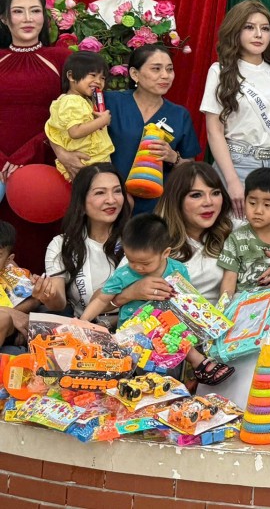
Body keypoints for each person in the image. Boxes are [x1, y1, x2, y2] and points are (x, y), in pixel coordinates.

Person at [81, 214, 233, 385]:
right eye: (131, 260)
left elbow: (186, 301)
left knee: (178, 339)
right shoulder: (124, 274)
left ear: (165, 253)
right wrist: (83, 320)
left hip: (166, 330)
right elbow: (102, 299)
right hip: (133, 332)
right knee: (138, 372)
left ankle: (197, 364)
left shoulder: (177, 270)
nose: (137, 267)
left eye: (145, 263)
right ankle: (193, 364)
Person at [0, 0, 71, 271]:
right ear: (4, 18)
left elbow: (72, 116)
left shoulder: (62, 59)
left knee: (39, 243)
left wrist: (25, 155)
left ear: (45, 15)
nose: (28, 19)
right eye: (18, 11)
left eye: (35, 11)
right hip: (1, 169)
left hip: (46, 165)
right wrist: (3, 160)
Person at [201, 0, 270, 218]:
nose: (258, 34)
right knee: (235, 233)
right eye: (249, 27)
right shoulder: (220, 71)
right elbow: (214, 131)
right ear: (236, 30)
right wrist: (231, 181)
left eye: (265, 28)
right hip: (237, 163)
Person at [216, 167, 270, 392]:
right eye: (252, 202)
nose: (258, 210)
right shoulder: (236, 238)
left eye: (267, 204)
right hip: (243, 302)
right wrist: (223, 310)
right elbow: (229, 279)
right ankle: (238, 388)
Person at [106, 45, 201, 216]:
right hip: (109, 201)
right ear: (134, 74)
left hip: (157, 208)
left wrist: (174, 157)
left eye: (169, 69)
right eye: (156, 69)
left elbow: (191, 168)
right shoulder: (111, 102)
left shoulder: (179, 115)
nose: (165, 75)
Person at [41, 164, 129, 323]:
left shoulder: (138, 238)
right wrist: (49, 296)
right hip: (84, 327)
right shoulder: (61, 244)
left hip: (136, 327)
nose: (111, 200)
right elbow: (58, 304)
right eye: (100, 193)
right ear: (81, 202)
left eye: (117, 191)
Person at [155, 161, 240, 300]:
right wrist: (130, 293)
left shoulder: (235, 229)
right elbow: (119, 286)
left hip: (227, 312)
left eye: (215, 193)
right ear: (176, 200)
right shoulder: (153, 237)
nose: (209, 202)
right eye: (196, 195)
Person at [45, 51, 113, 178]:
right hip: (85, 165)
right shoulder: (71, 101)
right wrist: (102, 121)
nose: (98, 81)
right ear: (71, 76)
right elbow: (75, 132)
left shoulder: (84, 100)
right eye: (93, 75)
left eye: (102, 78)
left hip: (92, 163)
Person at [0, 222, 38, 346]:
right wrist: (9, 314)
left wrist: (15, 316)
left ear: (8, 259)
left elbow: (34, 300)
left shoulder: (9, 271)